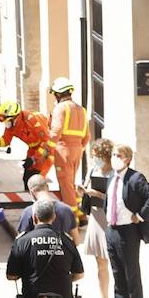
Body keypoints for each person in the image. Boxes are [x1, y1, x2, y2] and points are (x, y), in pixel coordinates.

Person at [103, 144, 149, 298]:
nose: (114, 158)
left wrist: (141, 215)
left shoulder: (135, 178)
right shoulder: (112, 176)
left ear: (127, 159)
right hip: (112, 230)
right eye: (112, 155)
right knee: (118, 275)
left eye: (118, 155)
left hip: (128, 232)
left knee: (131, 276)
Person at [78, 138, 116, 298]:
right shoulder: (93, 169)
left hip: (109, 217)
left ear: (106, 156)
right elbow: (87, 186)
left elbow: (118, 197)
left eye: (97, 156)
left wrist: (99, 194)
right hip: (95, 216)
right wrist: (83, 191)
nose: (94, 159)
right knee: (100, 263)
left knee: (117, 263)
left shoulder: (115, 172)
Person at [48, 78, 91, 212]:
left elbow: (56, 131)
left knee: (65, 184)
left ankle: (73, 220)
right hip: (77, 149)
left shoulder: (60, 108)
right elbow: (87, 135)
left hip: (63, 149)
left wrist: (46, 149)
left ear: (58, 94)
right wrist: (80, 147)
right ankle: (81, 214)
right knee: (71, 182)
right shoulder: (81, 110)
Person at [0, 101, 56, 187]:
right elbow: (5, 141)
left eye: (6, 120)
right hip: (32, 149)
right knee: (27, 178)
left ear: (14, 117)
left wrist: (34, 158)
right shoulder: (11, 125)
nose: (5, 124)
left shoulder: (31, 120)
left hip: (46, 150)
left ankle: (42, 198)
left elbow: (47, 141)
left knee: (37, 180)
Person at [16, 174, 79, 244]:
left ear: (31, 192)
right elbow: (76, 241)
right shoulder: (67, 210)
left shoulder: (28, 212)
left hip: (36, 254)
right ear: (47, 187)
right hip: (63, 254)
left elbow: (20, 242)